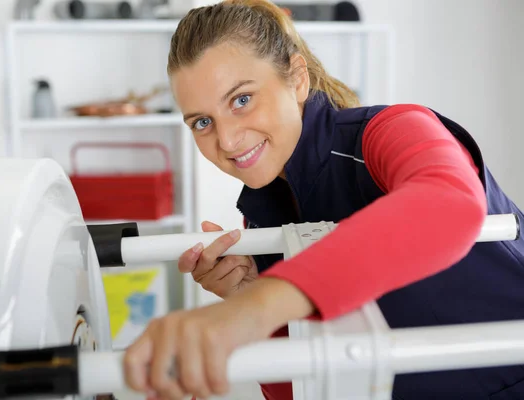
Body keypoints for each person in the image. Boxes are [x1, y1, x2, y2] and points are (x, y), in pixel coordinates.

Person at [122, 0, 524, 399]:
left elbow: (448, 205)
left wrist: (254, 309)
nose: (226, 140)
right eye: (203, 122)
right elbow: (301, 385)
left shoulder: (391, 130)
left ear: (297, 78)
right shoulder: (263, 217)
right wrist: (248, 298)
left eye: (242, 100)